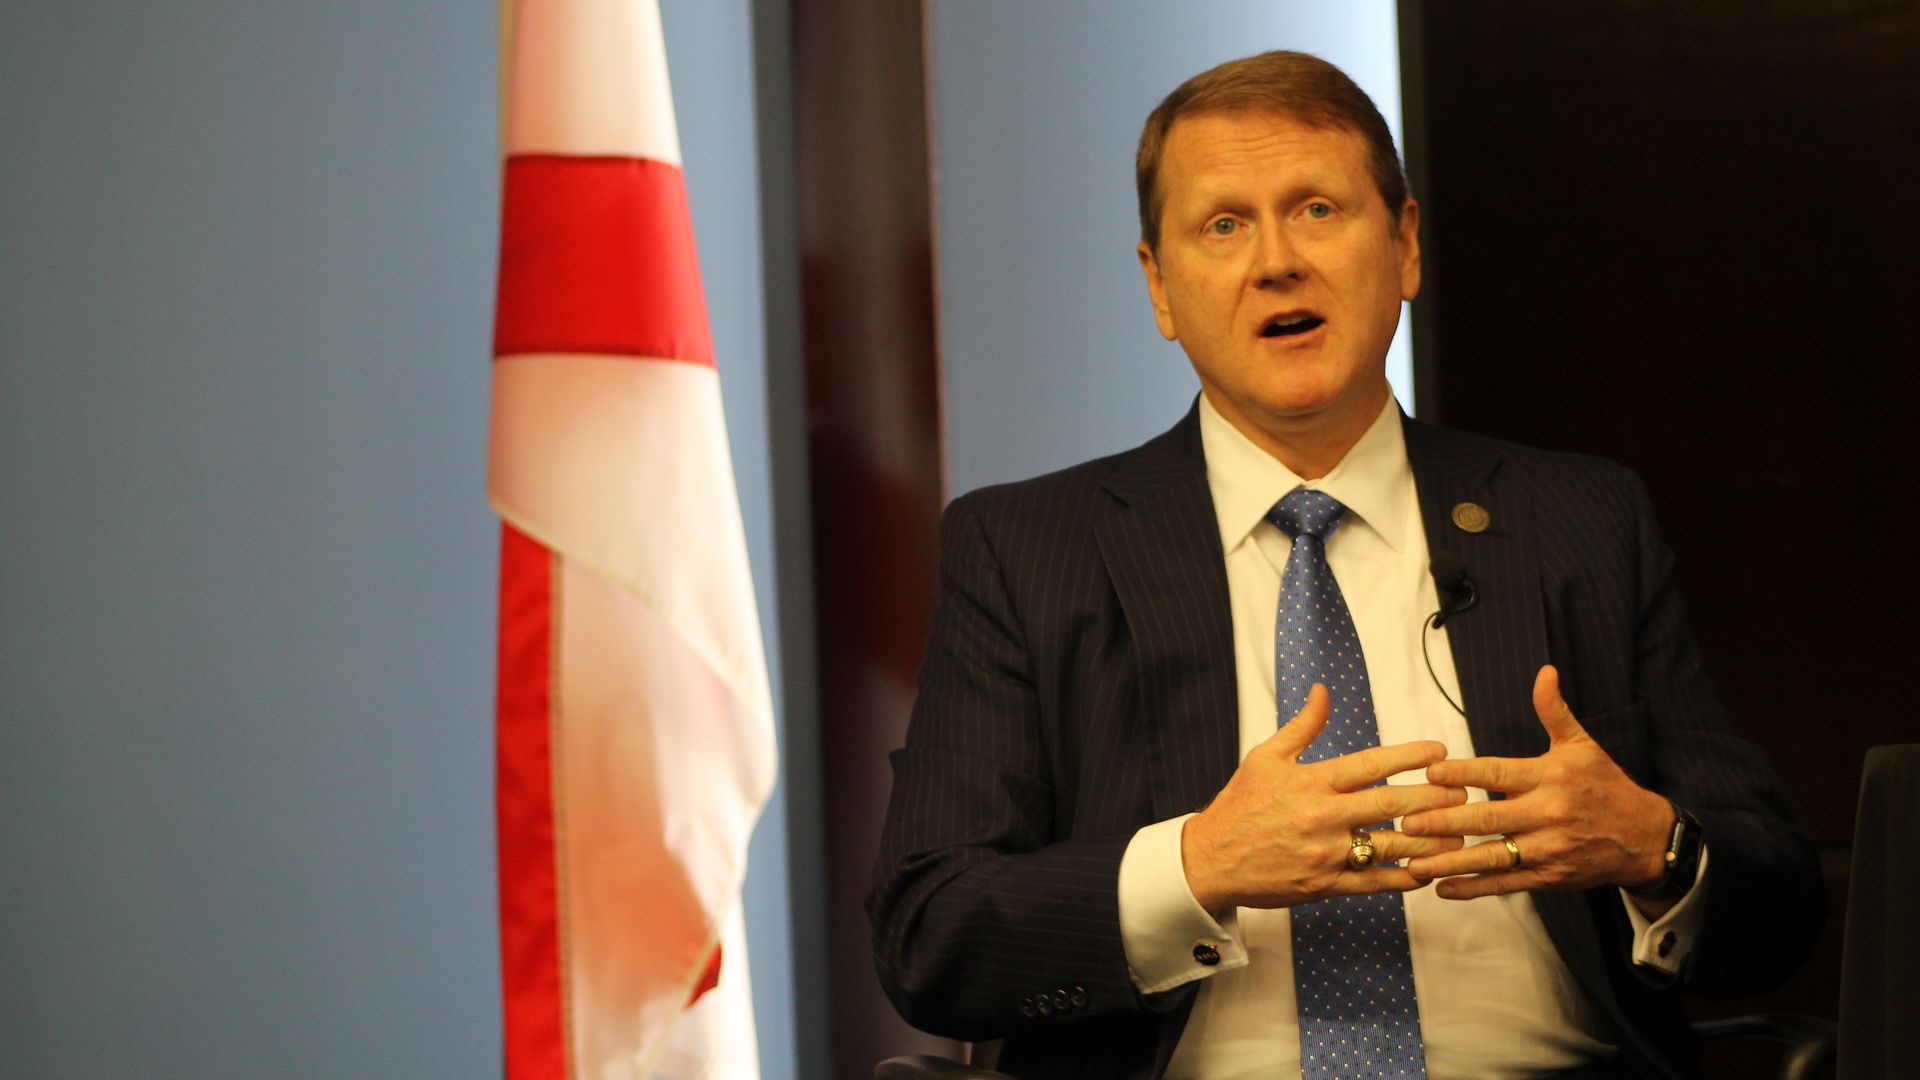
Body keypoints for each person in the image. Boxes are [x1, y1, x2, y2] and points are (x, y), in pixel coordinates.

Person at [868, 50, 1822, 1079]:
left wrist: (1652, 845)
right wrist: (1197, 867)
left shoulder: (1581, 519)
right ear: (1160, 285)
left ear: (1405, 246)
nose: (1276, 261)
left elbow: (1778, 910)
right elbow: (933, 932)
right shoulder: (1029, 550)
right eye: (1224, 225)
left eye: (1317, 209)